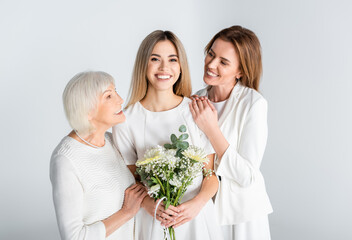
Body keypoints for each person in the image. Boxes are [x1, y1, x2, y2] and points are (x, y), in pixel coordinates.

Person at [112, 30, 223, 240]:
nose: (164, 68)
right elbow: (132, 181)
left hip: (197, 220)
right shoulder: (127, 120)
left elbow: (211, 175)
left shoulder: (196, 111)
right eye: (155, 59)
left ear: (180, 66)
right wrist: (152, 206)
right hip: (154, 222)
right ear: (143, 64)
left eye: (172, 59)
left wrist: (196, 205)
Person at [189, 25, 273, 240]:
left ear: (240, 71)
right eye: (211, 54)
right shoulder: (194, 100)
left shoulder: (253, 104)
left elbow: (247, 176)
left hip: (241, 215)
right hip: (203, 209)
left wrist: (212, 129)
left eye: (223, 62)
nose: (211, 64)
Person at [50, 71, 147, 240]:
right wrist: (126, 212)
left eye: (115, 91)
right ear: (87, 111)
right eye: (109, 96)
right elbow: (74, 237)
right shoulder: (65, 160)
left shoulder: (112, 142)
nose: (120, 100)